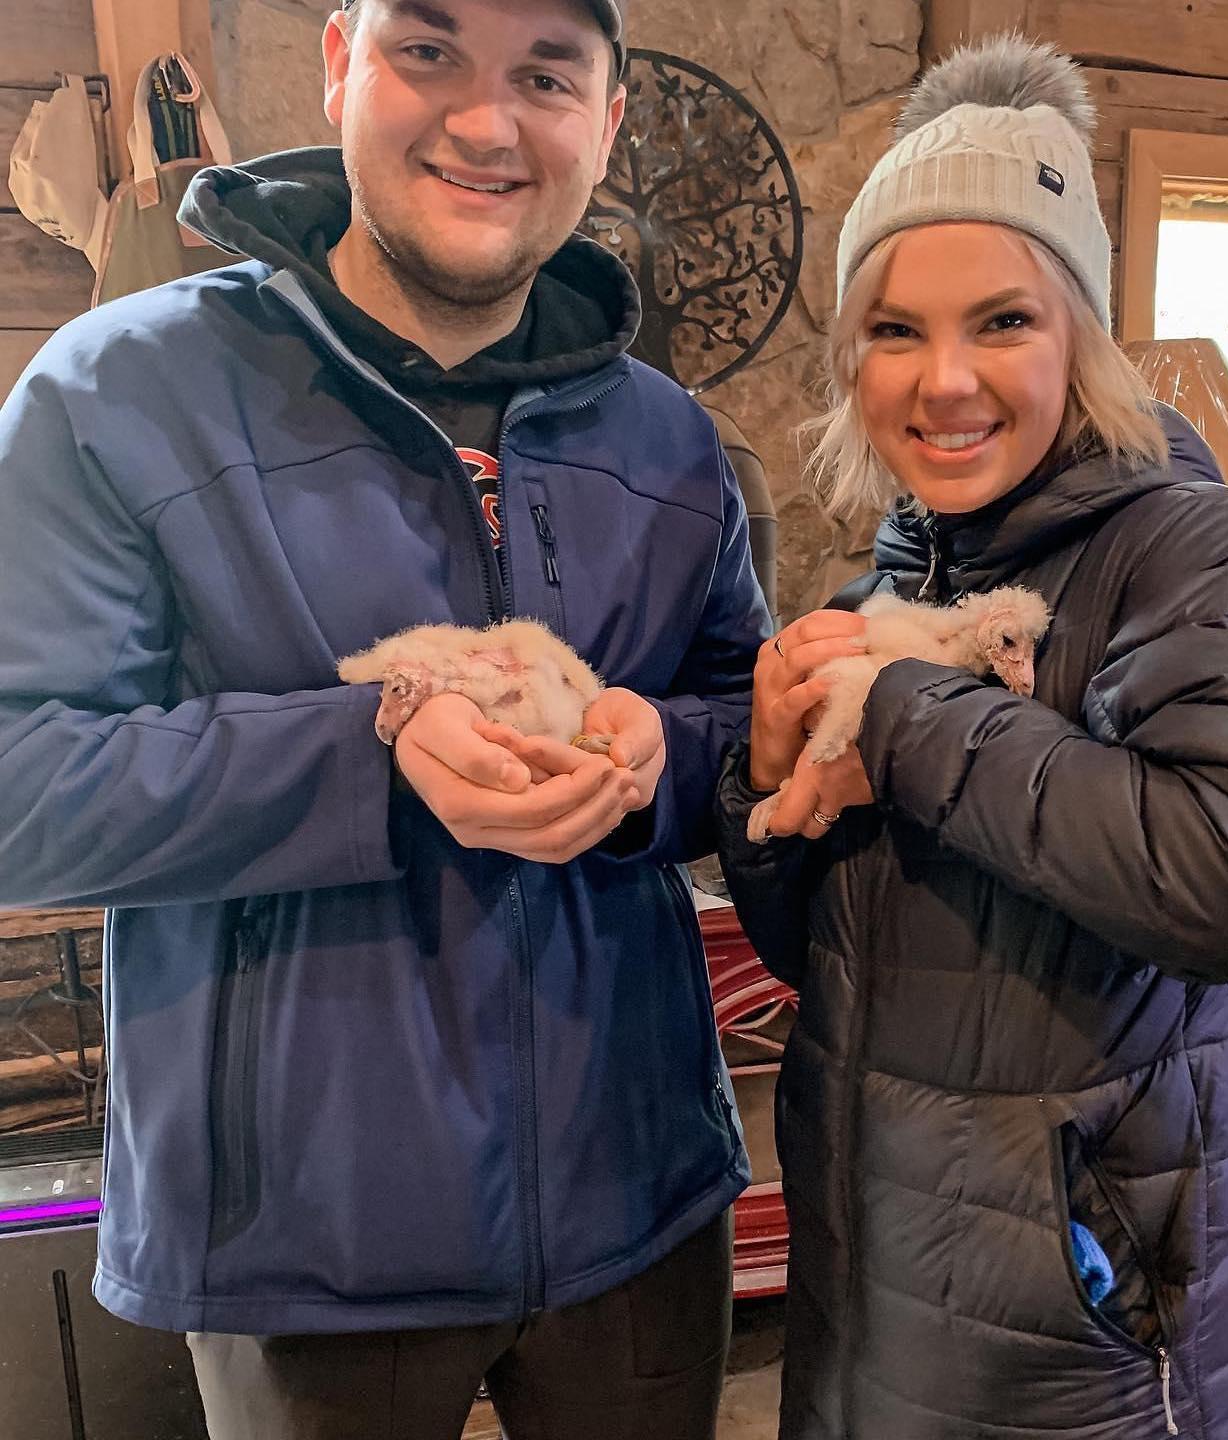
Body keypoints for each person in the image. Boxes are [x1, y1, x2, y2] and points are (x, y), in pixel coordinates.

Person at [0, 0, 769, 1435]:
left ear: (604, 124)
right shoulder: (115, 396)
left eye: (546, 75)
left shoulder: (672, 440)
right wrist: (371, 757)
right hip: (298, 1245)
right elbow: (19, 787)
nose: (485, 121)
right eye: (431, 52)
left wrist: (667, 761)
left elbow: (744, 731)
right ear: (341, 62)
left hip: (640, 1201)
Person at [715, 35, 1228, 1440]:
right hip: (868, 1304)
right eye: (896, 329)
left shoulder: (1185, 549)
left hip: (1083, 1353)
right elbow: (822, 954)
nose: (945, 380)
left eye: (1000, 321)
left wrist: (904, 714)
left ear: (1078, 332)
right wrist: (764, 783)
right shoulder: (885, 582)